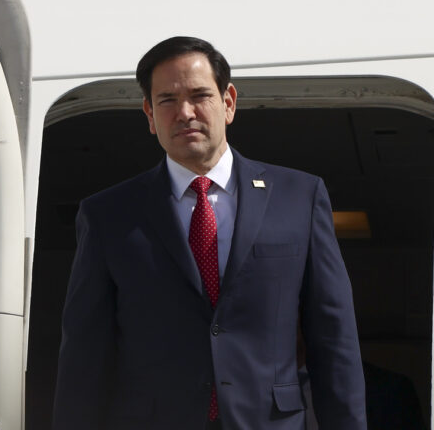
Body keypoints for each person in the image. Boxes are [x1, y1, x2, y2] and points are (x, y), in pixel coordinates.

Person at [52, 36, 366, 429]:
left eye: (200, 95)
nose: (185, 112)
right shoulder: (108, 214)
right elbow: (84, 355)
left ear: (229, 102)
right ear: (149, 114)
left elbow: (334, 340)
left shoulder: (299, 198)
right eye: (167, 100)